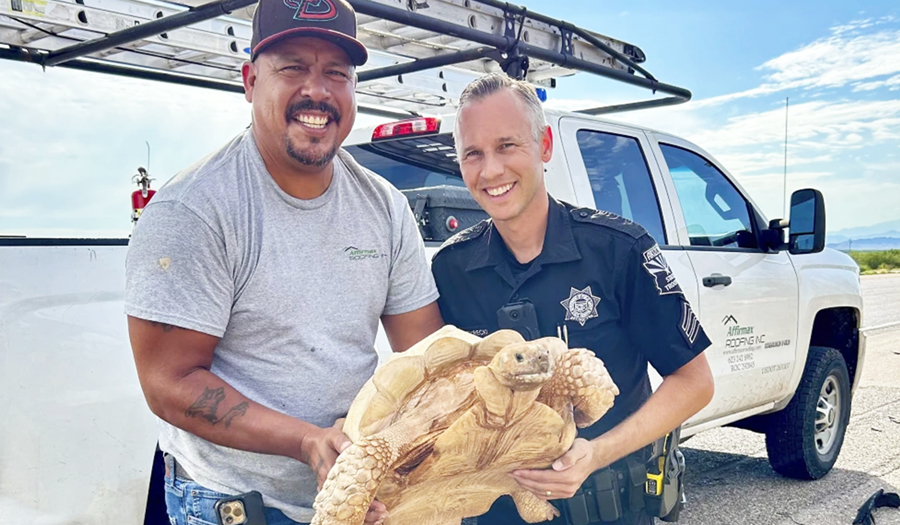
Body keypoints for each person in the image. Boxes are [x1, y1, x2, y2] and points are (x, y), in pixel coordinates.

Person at [124, 1, 443, 523]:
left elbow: (428, 357)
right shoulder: (197, 208)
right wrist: (307, 442)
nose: (316, 91)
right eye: (292, 67)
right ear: (250, 80)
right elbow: (169, 382)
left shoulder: (384, 206)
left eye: (335, 73)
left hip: (353, 496)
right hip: (230, 505)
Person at [431, 73, 715, 525]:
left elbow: (694, 381)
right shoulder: (451, 269)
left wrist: (596, 454)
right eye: (473, 154)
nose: (491, 171)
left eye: (507, 146)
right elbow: (439, 399)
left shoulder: (619, 250)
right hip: (496, 512)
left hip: (609, 509)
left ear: (544, 145)